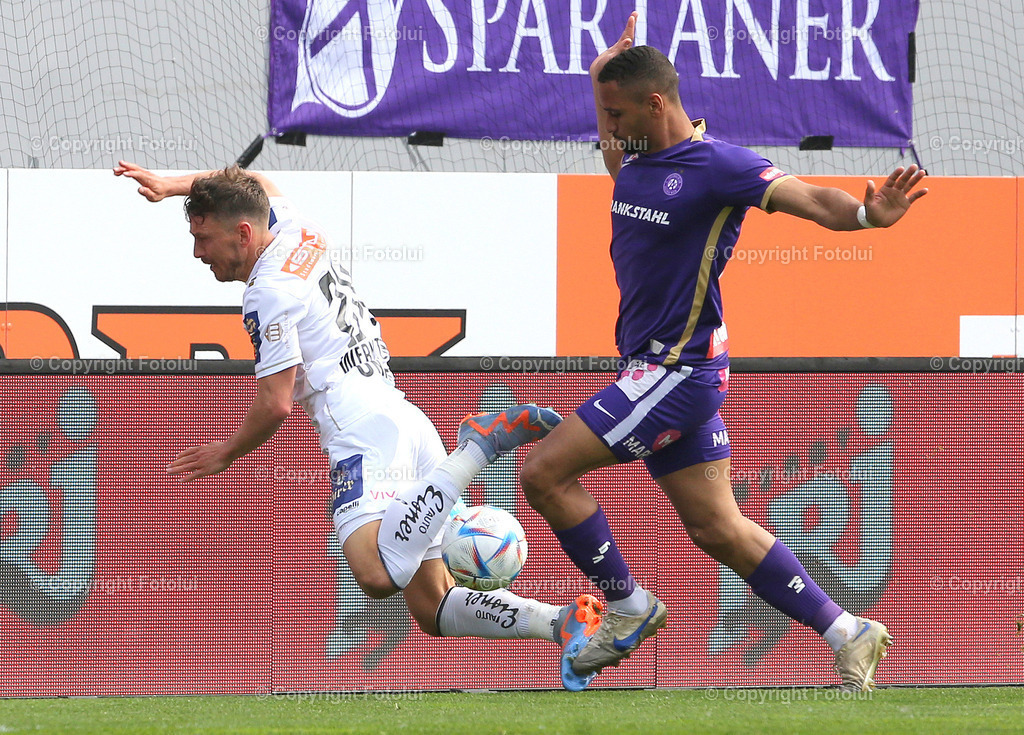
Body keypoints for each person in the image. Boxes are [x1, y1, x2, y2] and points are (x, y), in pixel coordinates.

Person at [519, 12, 927, 691]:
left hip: (674, 372)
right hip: (662, 368)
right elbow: (613, 129)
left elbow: (810, 199)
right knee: (718, 527)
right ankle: (848, 632)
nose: (607, 126)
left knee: (543, 474)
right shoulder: (635, 156)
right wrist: (598, 80)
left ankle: (628, 609)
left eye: (616, 111)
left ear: (656, 103)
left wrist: (865, 216)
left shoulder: (719, 167)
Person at [113, 161, 605, 691]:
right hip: (400, 416)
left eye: (202, 236)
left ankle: (479, 445)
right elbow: (254, 183)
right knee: (431, 605)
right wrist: (173, 185)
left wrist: (225, 451)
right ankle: (560, 621)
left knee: (374, 573)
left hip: (362, 429)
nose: (197, 252)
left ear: (243, 232)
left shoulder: (267, 292)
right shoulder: (295, 227)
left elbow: (275, 404)